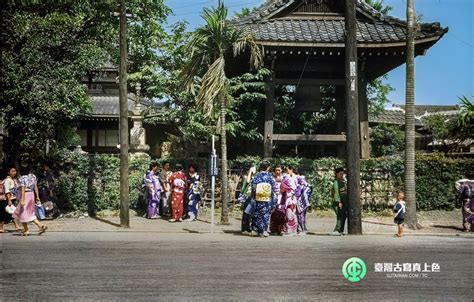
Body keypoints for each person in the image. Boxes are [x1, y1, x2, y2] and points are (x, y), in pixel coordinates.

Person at [12, 164, 47, 236]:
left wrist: (22, 200)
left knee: (22, 213)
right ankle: (40, 226)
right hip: (32, 195)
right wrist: (37, 197)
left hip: (26, 195)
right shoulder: (33, 176)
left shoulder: (22, 178)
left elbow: (23, 189)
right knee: (30, 212)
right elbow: (35, 187)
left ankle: (26, 230)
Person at [250, 161, 275, 237]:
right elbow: (272, 187)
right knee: (265, 214)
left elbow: (253, 187)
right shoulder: (269, 177)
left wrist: (255, 193)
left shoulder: (257, 176)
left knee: (257, 213)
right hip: (266, 197)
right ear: (268, 168)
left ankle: (255, 230)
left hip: (258, 197)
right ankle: (263, 230)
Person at [280, 166, 298, 236]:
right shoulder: (294, 177)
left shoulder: (288, 177)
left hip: (291, 197)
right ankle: (292, 230)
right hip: (291, 197)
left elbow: (282, 187)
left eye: (287, 169)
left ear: (291, 170)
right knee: (292, 213)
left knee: (289, 213)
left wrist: (285, 188)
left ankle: (290, 231)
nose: (286, 171)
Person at [3, 167, 21, 232]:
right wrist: (9, 200)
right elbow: (7, 191)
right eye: (12, 171)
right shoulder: (7, 180)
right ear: (8, 172)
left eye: (15, 171)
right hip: (8, 199)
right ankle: (17, 226)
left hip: (14, 198)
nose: (14, 172)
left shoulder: (14, 180)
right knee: (10, 213)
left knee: (10, 213)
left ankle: (16, 226)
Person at [331, 167, 347, 236]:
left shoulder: (343, 181)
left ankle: (341, 230)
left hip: (344, 201)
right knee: (340, 215)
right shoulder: (336, 182)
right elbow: (336, 192)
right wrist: (339, 202)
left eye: (342, 174)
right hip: (337, 202)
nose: (341, 175)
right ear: (336, 174)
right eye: (340, 174)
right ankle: (337, 229)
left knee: (344, 215)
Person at [295, 169, 312, 235]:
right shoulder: (307, 185)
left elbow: (297, 193)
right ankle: (303, 228)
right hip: (304, 202)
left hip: (300, 202)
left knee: (300, 216)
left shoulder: (300, 184)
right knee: (303, 216)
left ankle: (301, 229)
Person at [269, 165, 285, 235]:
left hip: (282, 197)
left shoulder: (284, 178)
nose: (277, 171)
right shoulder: (272, 178)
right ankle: (273, 229)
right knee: (273, 213)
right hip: (273, 196)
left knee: (281, 213)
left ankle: (280, 229)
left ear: (282, 170)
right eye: (276, 170)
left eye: (279, 170)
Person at [239, 166, 255, 235]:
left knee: (250, 214)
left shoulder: (253, 178)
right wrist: (250, 172)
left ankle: (248, 227)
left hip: (252, 197)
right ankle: (244, 228)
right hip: (246, 197)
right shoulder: (245, 177)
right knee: (246, 213)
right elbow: (247, 182)